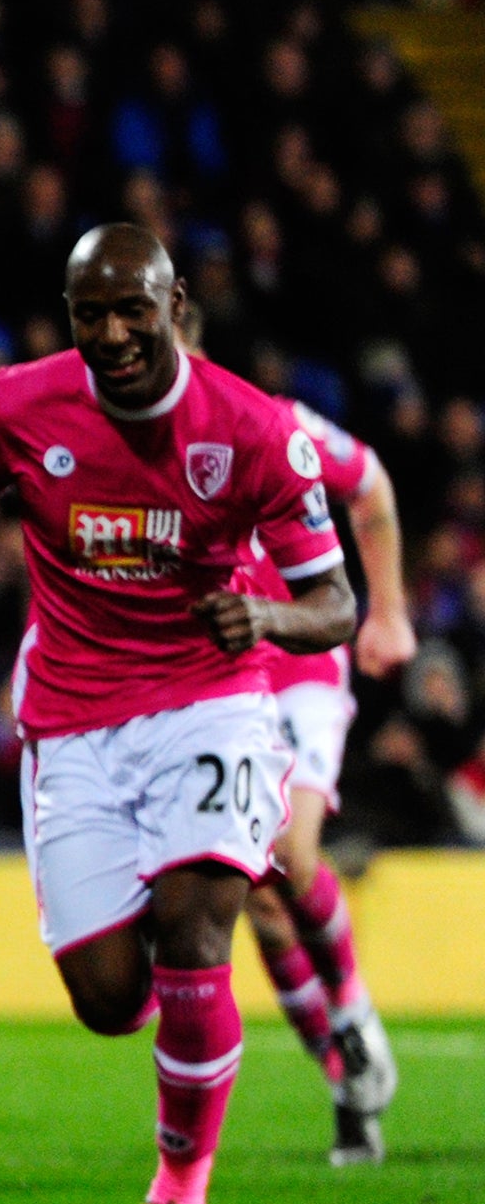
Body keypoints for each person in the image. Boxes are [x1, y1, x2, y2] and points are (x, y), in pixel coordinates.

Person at [0, 224, 356, 1204]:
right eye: (89, 315)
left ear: (172, 303)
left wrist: (267, 618)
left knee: (197, 937)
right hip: (71, 715)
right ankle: (167, 958)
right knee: (107, 1003)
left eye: (131, 310)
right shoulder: (15, 405)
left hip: (210, 701)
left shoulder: (253, 429)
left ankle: (178, 1194)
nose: (111, 335)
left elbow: (334, 602)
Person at [238, 400, 411, 1163]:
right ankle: (347, 1080)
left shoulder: (275, 424)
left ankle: (351, 1007)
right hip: (220, 683)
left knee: (289, 852)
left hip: (302, 665)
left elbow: (368, 481)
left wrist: (389, 611)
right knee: (256, 897)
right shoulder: (131, 447)